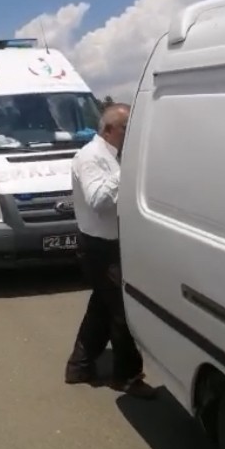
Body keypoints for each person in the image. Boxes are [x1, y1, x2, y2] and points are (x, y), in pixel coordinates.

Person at [65, 103, 156, 400]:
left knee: (102, 308)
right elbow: (98, 201)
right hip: (99, 248)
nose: (131, 133)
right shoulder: (90, 157)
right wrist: (127, 169)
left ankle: (79, 366)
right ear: (107, 130)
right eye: (127, 128)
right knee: (122, 312)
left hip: (114, 245)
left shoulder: (112, 155)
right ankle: (126, 376)